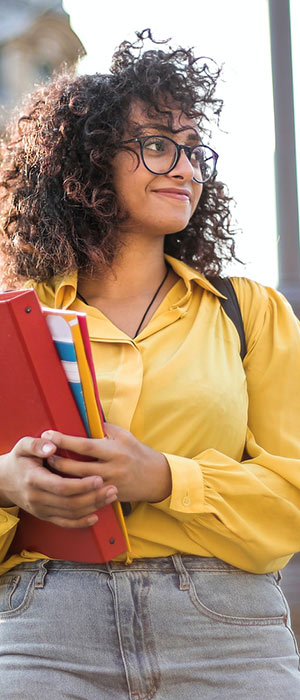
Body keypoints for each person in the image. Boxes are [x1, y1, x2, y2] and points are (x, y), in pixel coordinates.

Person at [0, 28, 300, 700]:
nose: (187, 169)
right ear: (87, 162)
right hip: (44, 632)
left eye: (195, 151)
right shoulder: (13, 324)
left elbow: (294, 492)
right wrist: (8, 486)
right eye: (159, 144)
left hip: (226, 633)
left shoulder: (249, 313)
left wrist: (167, 477)